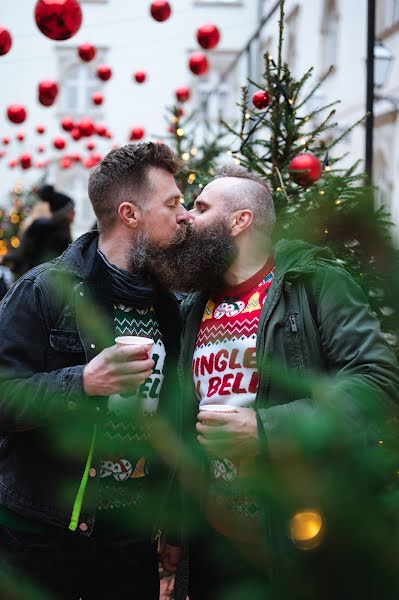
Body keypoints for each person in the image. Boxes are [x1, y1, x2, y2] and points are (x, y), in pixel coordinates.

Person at [162, 165, 399, 600]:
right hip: (214, 539)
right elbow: (184, 422)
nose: (188, 218)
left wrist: (266, 430)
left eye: (201, 207)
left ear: (240, 221)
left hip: (298, 533)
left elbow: (377, 381)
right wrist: (178, 526)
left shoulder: (315, 283)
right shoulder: (195, 304)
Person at [0, 142, 191, 599]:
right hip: (41, 530)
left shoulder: (172, 304)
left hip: (128, 534)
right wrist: (81, 383)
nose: (184, 214)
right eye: (172, 203)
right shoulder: (46, 290)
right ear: (130, 214)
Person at [10, 184, 75, 278]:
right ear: (63, 214)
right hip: (44, 283)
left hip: (30, 279)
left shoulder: (40, 227)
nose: (74, 214)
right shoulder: (57, 235)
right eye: (72, 211)